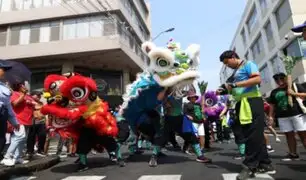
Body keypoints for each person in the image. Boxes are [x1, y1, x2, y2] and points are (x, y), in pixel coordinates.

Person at [218, 50, 274, 180]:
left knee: (251, 135)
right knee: (254, 134)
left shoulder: (249, 64)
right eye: (225, 64)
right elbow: (234, 88)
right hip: (241, 103)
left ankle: (249, 166)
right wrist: (224, 90)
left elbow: (257, 79)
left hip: (251, 101)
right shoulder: (236, 71)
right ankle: (265, 163)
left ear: (233, 57)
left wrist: (235, 84)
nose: (227, 65)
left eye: (227, 62)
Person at [268, 73, 306, 161]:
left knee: (303, 135)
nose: (279, 81)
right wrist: (270, 116)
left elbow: (305, 95)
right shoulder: (274, 92)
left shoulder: (294, 86)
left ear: (286, 78)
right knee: (289, 135)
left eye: (281, 79)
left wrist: (294, 93)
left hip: (297, 114)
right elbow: (272, 105)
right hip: (283, 117)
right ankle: (293, 154)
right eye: (277, 80)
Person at [0, 63, 19, 160]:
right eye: (2, 69)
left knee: (1, 138)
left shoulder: (4, 87)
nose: (3, 72)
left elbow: (8, 105)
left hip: (2, 113)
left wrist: (14, 122)